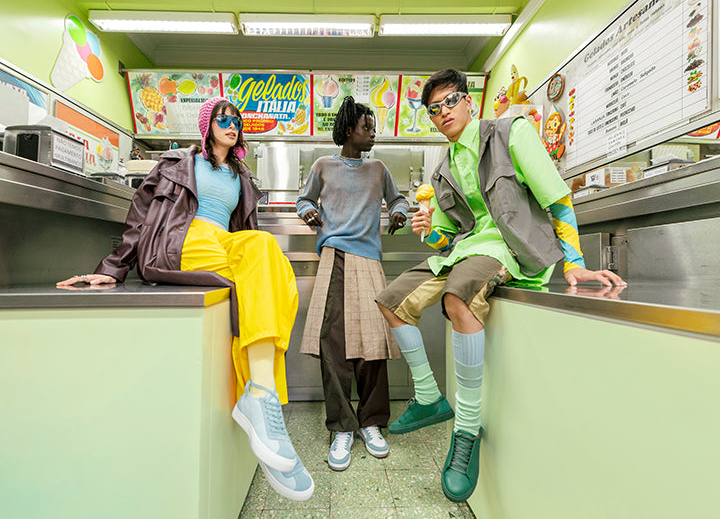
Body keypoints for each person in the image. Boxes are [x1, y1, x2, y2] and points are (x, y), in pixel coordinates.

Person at [375, 69, 626, 503]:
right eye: (433, 110)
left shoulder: (511, 132)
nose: (443, 114)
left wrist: (575, 263)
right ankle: (430, 397)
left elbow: (556, 197)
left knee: (458, 296)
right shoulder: (443, 169)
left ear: (469, 100)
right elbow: (445, 239)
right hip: (468, 251)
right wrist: (425, 229)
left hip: (511, 251)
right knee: (391, 300)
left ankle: (466, 430)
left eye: (450, 102)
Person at [57, 96, 314, 502]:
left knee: (275, 269)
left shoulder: (241, 176)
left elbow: (247, 237)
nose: (232, 124)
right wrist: (111, 268)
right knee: (265, 262)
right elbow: (140, 214)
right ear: (206, 125)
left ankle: (258, 397)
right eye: (222, 118)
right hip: (182, 242)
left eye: (236, 119)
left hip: (223, 244)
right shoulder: (179, 163)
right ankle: (264, 404)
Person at [296, 96, 409, 471]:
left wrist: (398, 212)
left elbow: (399, 200)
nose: (373, 132)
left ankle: (372, 423)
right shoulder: (323, 166)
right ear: (348, 130)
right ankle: (343, 426)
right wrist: (308, 210)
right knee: (335, 345)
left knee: (374, 345)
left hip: (369, 259)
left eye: (373, 126)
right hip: (335, 260)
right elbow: (303, 199)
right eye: (367, 126)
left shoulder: (378, 169)